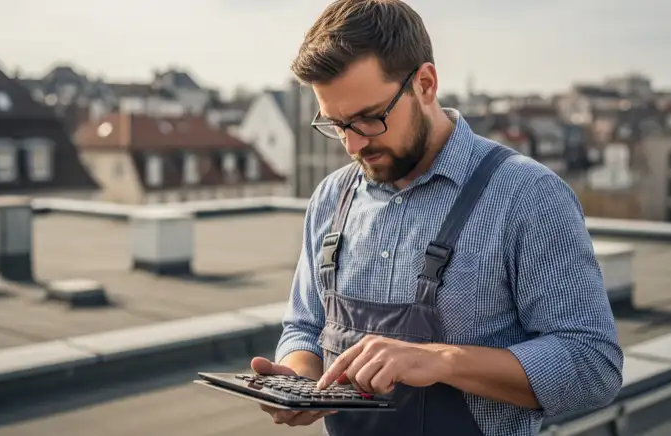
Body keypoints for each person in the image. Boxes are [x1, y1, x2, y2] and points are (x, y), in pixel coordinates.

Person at [249, 0, 624, 435]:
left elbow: (592, 365)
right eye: (336, 125)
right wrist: (299, 379)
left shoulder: (528, 196)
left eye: (369, 119)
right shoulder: (331, 198)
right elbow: (304, 326)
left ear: (425, 84)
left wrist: (440, 360)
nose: (352, 146)